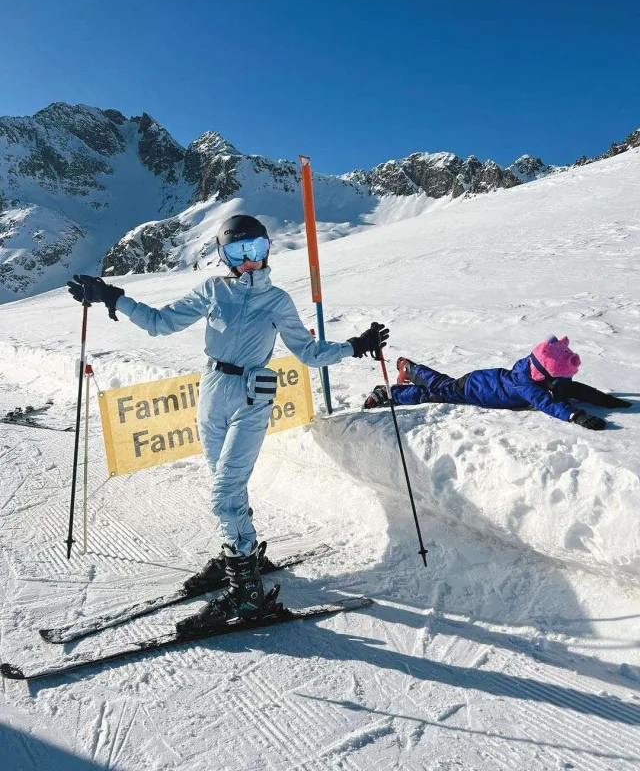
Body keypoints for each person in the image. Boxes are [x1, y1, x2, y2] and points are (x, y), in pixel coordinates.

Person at [67, 214, 388, 630]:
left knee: (224, 493)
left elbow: (307, 353)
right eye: (239, 251)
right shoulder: (212, 289)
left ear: (268, 249)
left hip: (251, 398)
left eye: (257, 249)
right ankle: (243, 552)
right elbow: (160, 324)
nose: (250, 259)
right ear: (224, 255)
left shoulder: (277, 301)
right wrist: (114, 297)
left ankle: (248, 595)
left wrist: (354, 345)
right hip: (212, 390)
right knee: (224, 482)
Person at [364, 335, 632, 430]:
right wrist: (576, 416)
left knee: (439, 385)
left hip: (481, 380)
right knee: (432, 393)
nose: (562, 383)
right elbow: (547, 404)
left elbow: (572, 389)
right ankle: (390, 393)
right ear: (544, 374)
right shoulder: (525, 386)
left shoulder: (535, 375)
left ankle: (410, 368)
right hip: (473, 389)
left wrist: (604, 400)